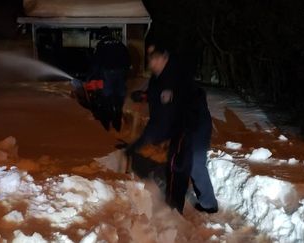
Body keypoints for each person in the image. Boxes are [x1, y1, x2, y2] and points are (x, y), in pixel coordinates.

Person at [128, 44, 218, 214]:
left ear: (165, 58)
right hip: (184, 123)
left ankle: (177, 208)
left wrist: (141, 141)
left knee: (182, 164)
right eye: (150, 60)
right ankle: (207, 203)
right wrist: (145, 96)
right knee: (190, 164)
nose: (151, 64)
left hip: (193, 124)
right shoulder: (158, 78)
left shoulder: (177, 74)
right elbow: (161, 99)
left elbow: (164, 116)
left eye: (155, 59)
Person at [90, 26, 130, 132]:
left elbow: (96, 62)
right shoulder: (120, 43)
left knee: (107, 97)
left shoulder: (101, 45)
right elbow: (127, 59)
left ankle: (107, 123)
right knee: (119, 96)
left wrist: (94, 76)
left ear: (101, 35)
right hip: (121, 72)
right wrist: (125, 73)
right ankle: (117, 120)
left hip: (108, 72)